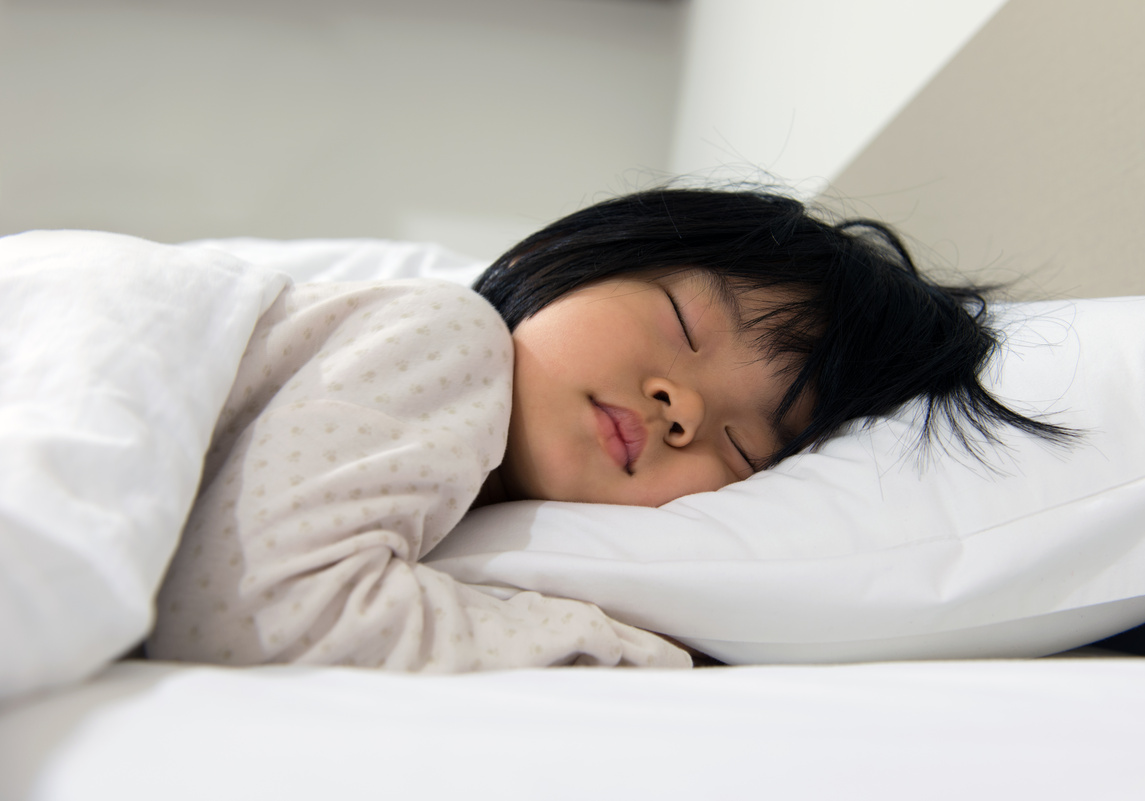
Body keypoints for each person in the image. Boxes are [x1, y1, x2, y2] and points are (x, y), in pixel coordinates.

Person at [147, 185, 1069, 672]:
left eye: (746, 446)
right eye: (683, 324)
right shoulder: (447, 335)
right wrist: (618, 648)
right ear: (566, 261)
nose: (687, 406)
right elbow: (249, 615)